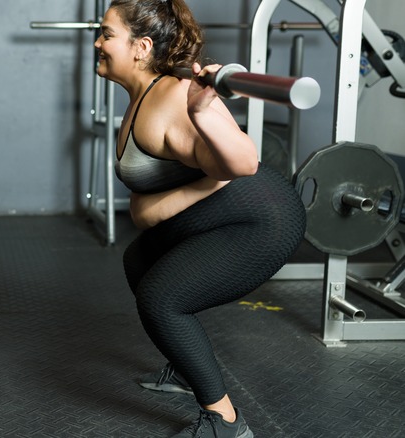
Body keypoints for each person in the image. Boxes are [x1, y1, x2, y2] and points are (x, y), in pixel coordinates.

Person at [94, 1, 306, 437]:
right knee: (139, 261)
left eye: (107, 34)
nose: (97, 42)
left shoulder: (174, 96)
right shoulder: (141, 97)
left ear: (142, 47)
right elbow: (149, 204)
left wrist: (204, 111)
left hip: (260, 218)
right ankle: (189, 366)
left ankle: (224, 421)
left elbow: (245, 162)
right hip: (218, 212)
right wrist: (150, 210)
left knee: (161, 300)